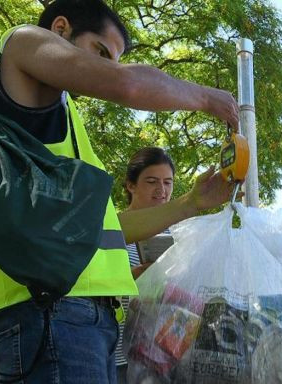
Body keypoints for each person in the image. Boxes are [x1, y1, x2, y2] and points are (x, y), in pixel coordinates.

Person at [0, 1, 237, 382]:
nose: (109, 67)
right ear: (60, 28)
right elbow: (126, 83)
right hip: (47, 313)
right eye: (101, 53)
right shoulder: (23, 41)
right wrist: (207, 98)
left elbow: (110, 229)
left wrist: (192, 203)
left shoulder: (55, 125)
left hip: (59, 318)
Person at [113, 147, 179, 383]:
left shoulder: (180, 235)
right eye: (152, 182)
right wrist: (131, 278)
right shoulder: (113, 229)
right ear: (131, 185)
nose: (161, 190)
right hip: (117, 357)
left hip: (165, 357)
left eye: (168, 182)